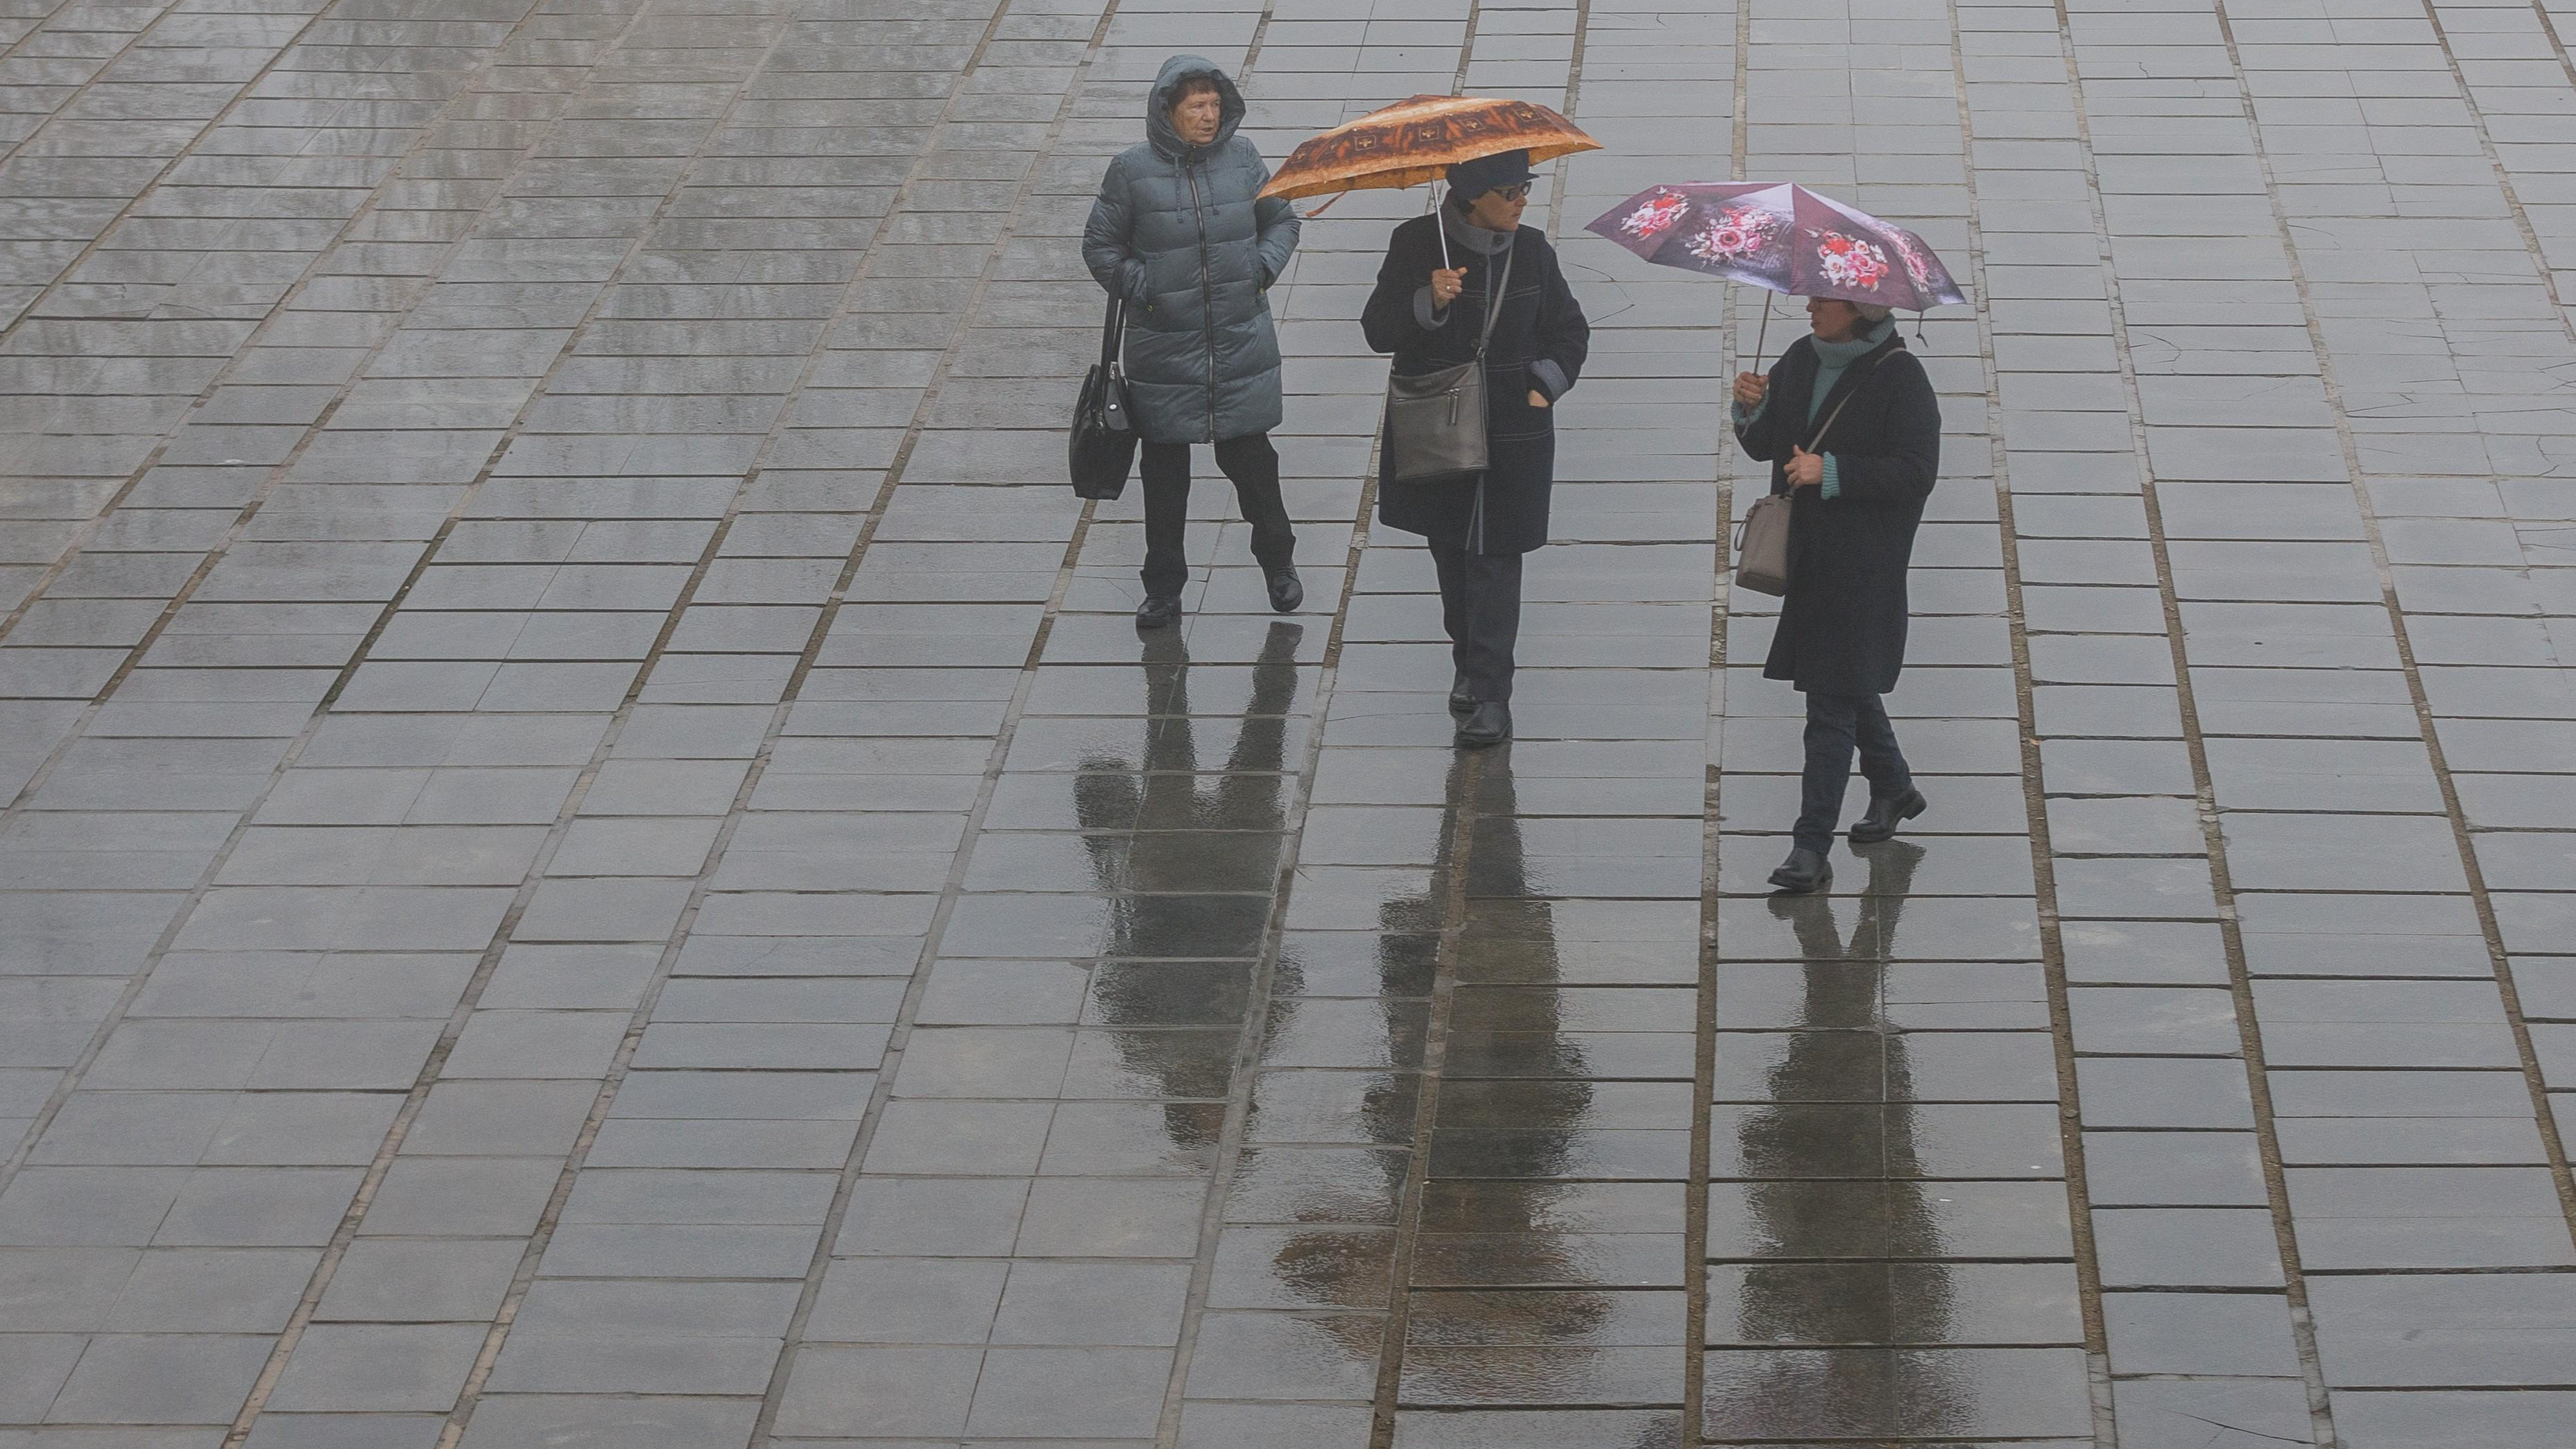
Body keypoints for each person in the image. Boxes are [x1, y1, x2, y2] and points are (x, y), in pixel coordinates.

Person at [1361, 149, 1590, 748]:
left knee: (1495, 559)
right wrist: (1428, 302)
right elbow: (1378, 329)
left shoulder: (1533, 250)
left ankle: (1491, 693)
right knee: (1452, 556)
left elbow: (1570, 330)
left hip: (1514, 434)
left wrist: (1543, 387)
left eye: (1525, 188)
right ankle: (1467, 660)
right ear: (1471, 197)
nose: (1522, 201)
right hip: (1438, 426)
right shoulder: (1416, 243)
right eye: (1511, 191)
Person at [1082, 55, 1303, 631]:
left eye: (1214, 105)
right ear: (1168, 112)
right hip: (1164, 352)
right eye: (1196, 106)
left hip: (1239, 347)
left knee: (1255, 469)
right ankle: (1163, 590)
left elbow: (1283, 221)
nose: (1209, 116)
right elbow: (1101, 247)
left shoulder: (1245, 160)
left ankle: (1279, 564)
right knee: (1164, 482)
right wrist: (1145, 286)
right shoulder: (1131, 171)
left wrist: (1260, 270)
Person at [1732, 295, 1941, 893]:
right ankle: (1895, 787)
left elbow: (1917, 471)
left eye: (1825, 300)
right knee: (1846, 682)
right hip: (1808, 556)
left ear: (1863, 310)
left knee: (1829, 704)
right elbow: (1766, 443)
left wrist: (1834, 472)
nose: (1810, 306)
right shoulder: (1802, 357)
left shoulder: (1903, 378)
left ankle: (1809, 846)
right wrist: (1749, 407)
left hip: (1865, 565)